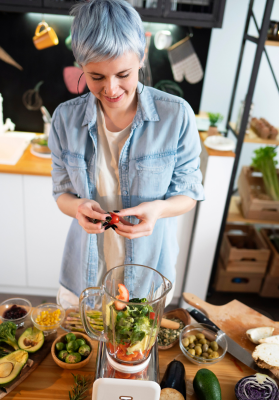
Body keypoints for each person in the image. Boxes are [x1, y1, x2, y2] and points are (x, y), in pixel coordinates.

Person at [48, 0, 204, 304]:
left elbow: (189, 192)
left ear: (142, 58)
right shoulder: (64, 120)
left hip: (148, 273)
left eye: (123, 74)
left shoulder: (176, 115)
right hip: (84, 275)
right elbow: (62, 193)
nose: (111, 89)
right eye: (96, 77)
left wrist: (158, 210)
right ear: (81, 66)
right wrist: (78, 209)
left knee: (135, 348)